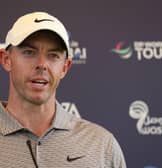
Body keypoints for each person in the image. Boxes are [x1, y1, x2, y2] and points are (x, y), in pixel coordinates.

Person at [0, 11, 126, 168]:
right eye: (29, 52)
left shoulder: (101, 145)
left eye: (53, 55)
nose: (42, 64)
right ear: (6, 59)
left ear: (65, 67)